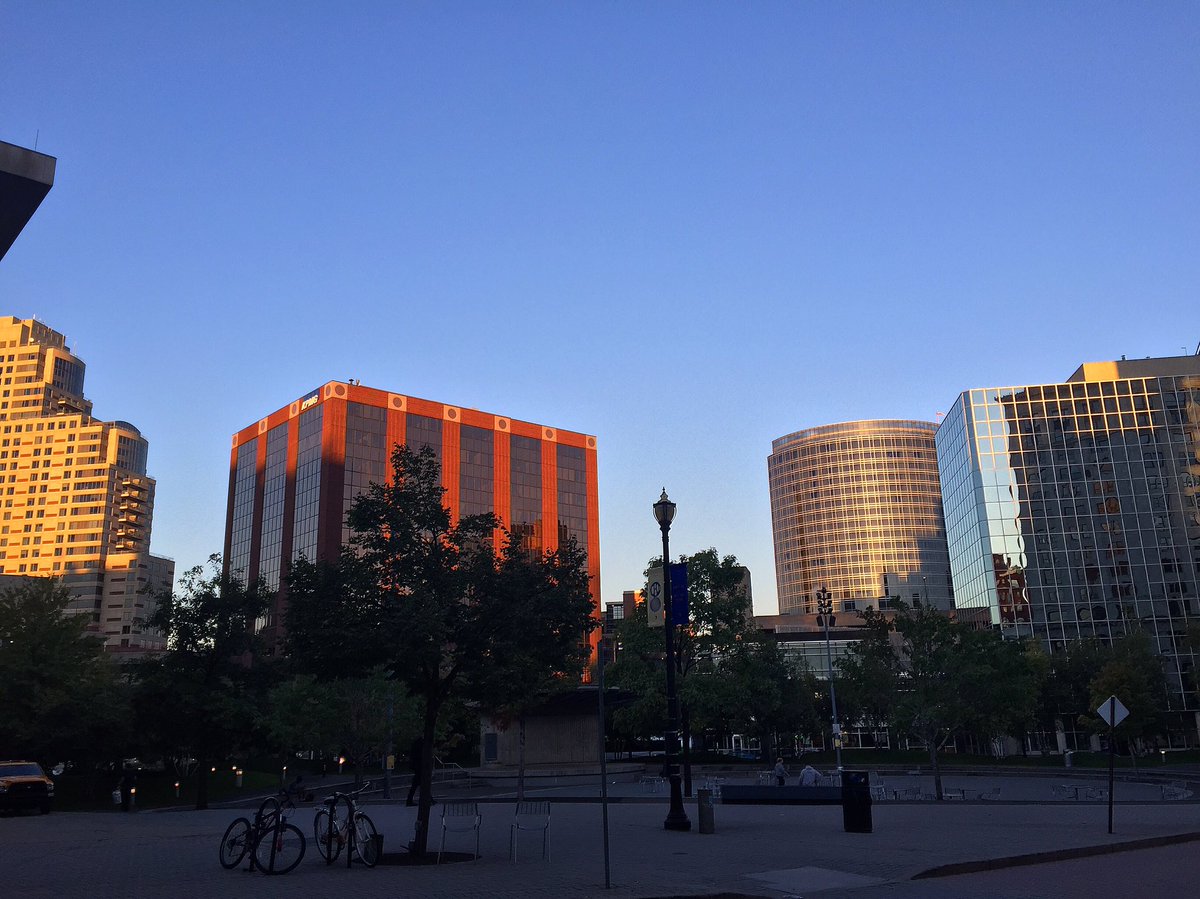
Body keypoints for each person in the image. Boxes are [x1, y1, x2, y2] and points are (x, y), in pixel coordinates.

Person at [406, 736, 424, 806]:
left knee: (417, 784)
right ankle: (409, 800)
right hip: (419, 766)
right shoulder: (420, 743)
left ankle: (409, 800)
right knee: (418, 783)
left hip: (417, 766)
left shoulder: (416, 743)